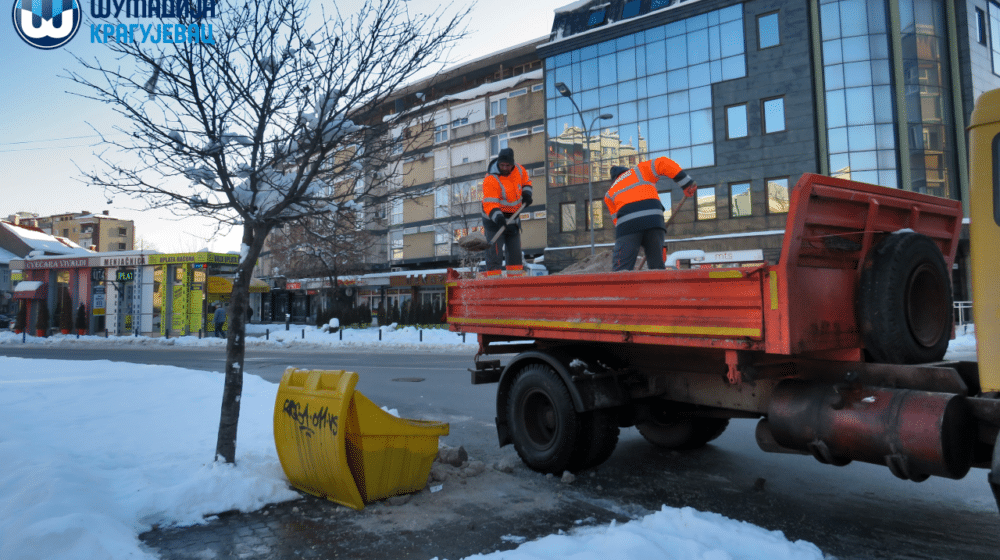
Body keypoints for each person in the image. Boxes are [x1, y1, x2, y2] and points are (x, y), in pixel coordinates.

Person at [605, 157, 697, 272]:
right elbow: (663, 162)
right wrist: (686, 183)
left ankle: (622, 286)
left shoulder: (609, 193)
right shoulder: (639, 170)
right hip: (654, 220)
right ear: (626, 171)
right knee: (656, 266)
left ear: (613, 180)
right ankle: (659, 284)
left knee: (621, 269)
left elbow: (617, 222)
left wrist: (632, 240)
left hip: (627, 224)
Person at [482, 147, 533, 277]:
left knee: (515, 257)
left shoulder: (519, 170)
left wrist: (527, 194)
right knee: (495, 255)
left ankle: (514, 284)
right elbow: (490, 203)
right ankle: (494, 284)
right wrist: (498, 218)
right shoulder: (491, 179)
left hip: (513, 220)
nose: (504, 167)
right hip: (494, 221)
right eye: (502, 165)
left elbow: (526, 182)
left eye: (507, 165)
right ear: (498, 163)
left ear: (512, 164)